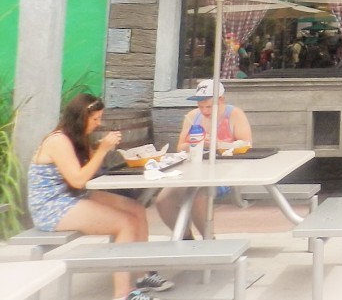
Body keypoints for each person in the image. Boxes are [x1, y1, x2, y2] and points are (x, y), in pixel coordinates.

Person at [28, 94, 172, 300]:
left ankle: (142, 274)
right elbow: (78, 179)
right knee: (125, 223)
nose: (99, 123)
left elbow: (90, 171)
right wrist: (102, 150)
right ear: (80, 118)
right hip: (53, 205)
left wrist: (102, 150)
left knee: (136, 209)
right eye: (95, 119)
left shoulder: (77, 138)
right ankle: (124, 295)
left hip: (73, 194)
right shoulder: (58, 140)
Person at [155, 80, 253, 239]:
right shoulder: (193, 116)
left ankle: (209, 240)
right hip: (194, 169)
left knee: (197, 196)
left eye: (208, 107)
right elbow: (180, 146)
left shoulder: (234, 114)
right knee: (162, 200)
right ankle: (186, 239)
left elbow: (247, 145)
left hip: (225, 171)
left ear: (221, 100)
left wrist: (216, 143)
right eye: (201, 106)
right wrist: (195, 143)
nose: (204, 111)